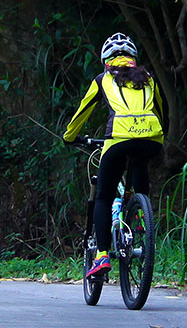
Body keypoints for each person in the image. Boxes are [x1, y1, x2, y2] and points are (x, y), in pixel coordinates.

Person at [62, 32, 164, 280]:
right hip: (151, 137)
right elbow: (160, 109)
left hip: (118, 139)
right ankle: (140, 215)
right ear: (133, 59)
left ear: (106, 60)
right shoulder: (148, 78)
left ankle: (102, 256)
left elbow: (82, 112)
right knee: (139, 160)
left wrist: (69, 136)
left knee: (104, 197)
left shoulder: (103, 79)